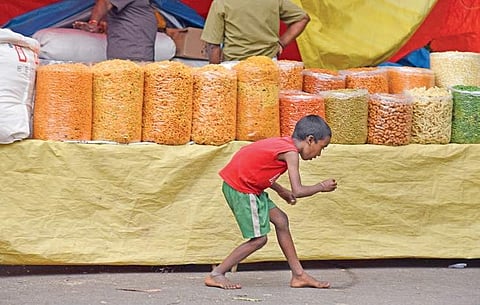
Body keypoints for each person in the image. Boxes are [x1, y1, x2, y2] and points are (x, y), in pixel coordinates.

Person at [205, 115, 337, 289]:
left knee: (281, 220)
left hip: (249, 185)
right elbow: (298, 190)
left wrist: (281, 190)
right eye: (322, 147)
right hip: (242, 189)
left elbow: (259, 167)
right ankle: (217, 274)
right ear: (310, 140)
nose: (319, 154)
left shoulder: (284, 144)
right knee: (259, 239)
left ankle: (298, 275)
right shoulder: (291, 153)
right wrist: (321, 186)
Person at [200, 0, 310, 64]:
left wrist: (215, 75)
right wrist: (282, 43)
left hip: (234, 66)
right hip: (268, 64)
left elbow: (213, 46)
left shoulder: (222, 2)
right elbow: (303, 18)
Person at [73, 0, 157, 61]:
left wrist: (97, 25)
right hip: (131, 52)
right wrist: (94, 22)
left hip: (136, 51)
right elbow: (105, 2)